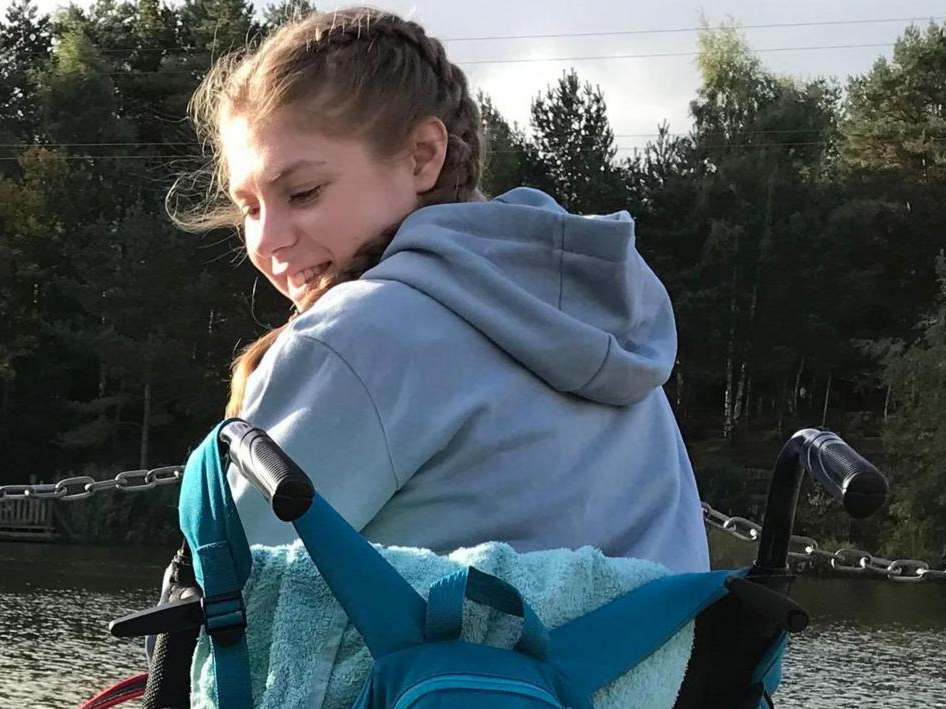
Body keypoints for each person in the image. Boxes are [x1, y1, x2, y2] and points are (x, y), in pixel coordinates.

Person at [179, 7, 709, 571]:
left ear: (422, 157)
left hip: (444, 663)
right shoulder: (592, 323)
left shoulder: (360, 332)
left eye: (303, 192)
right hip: (651, 660)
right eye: (250, 208)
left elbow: (218, 597)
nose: (268, 240)